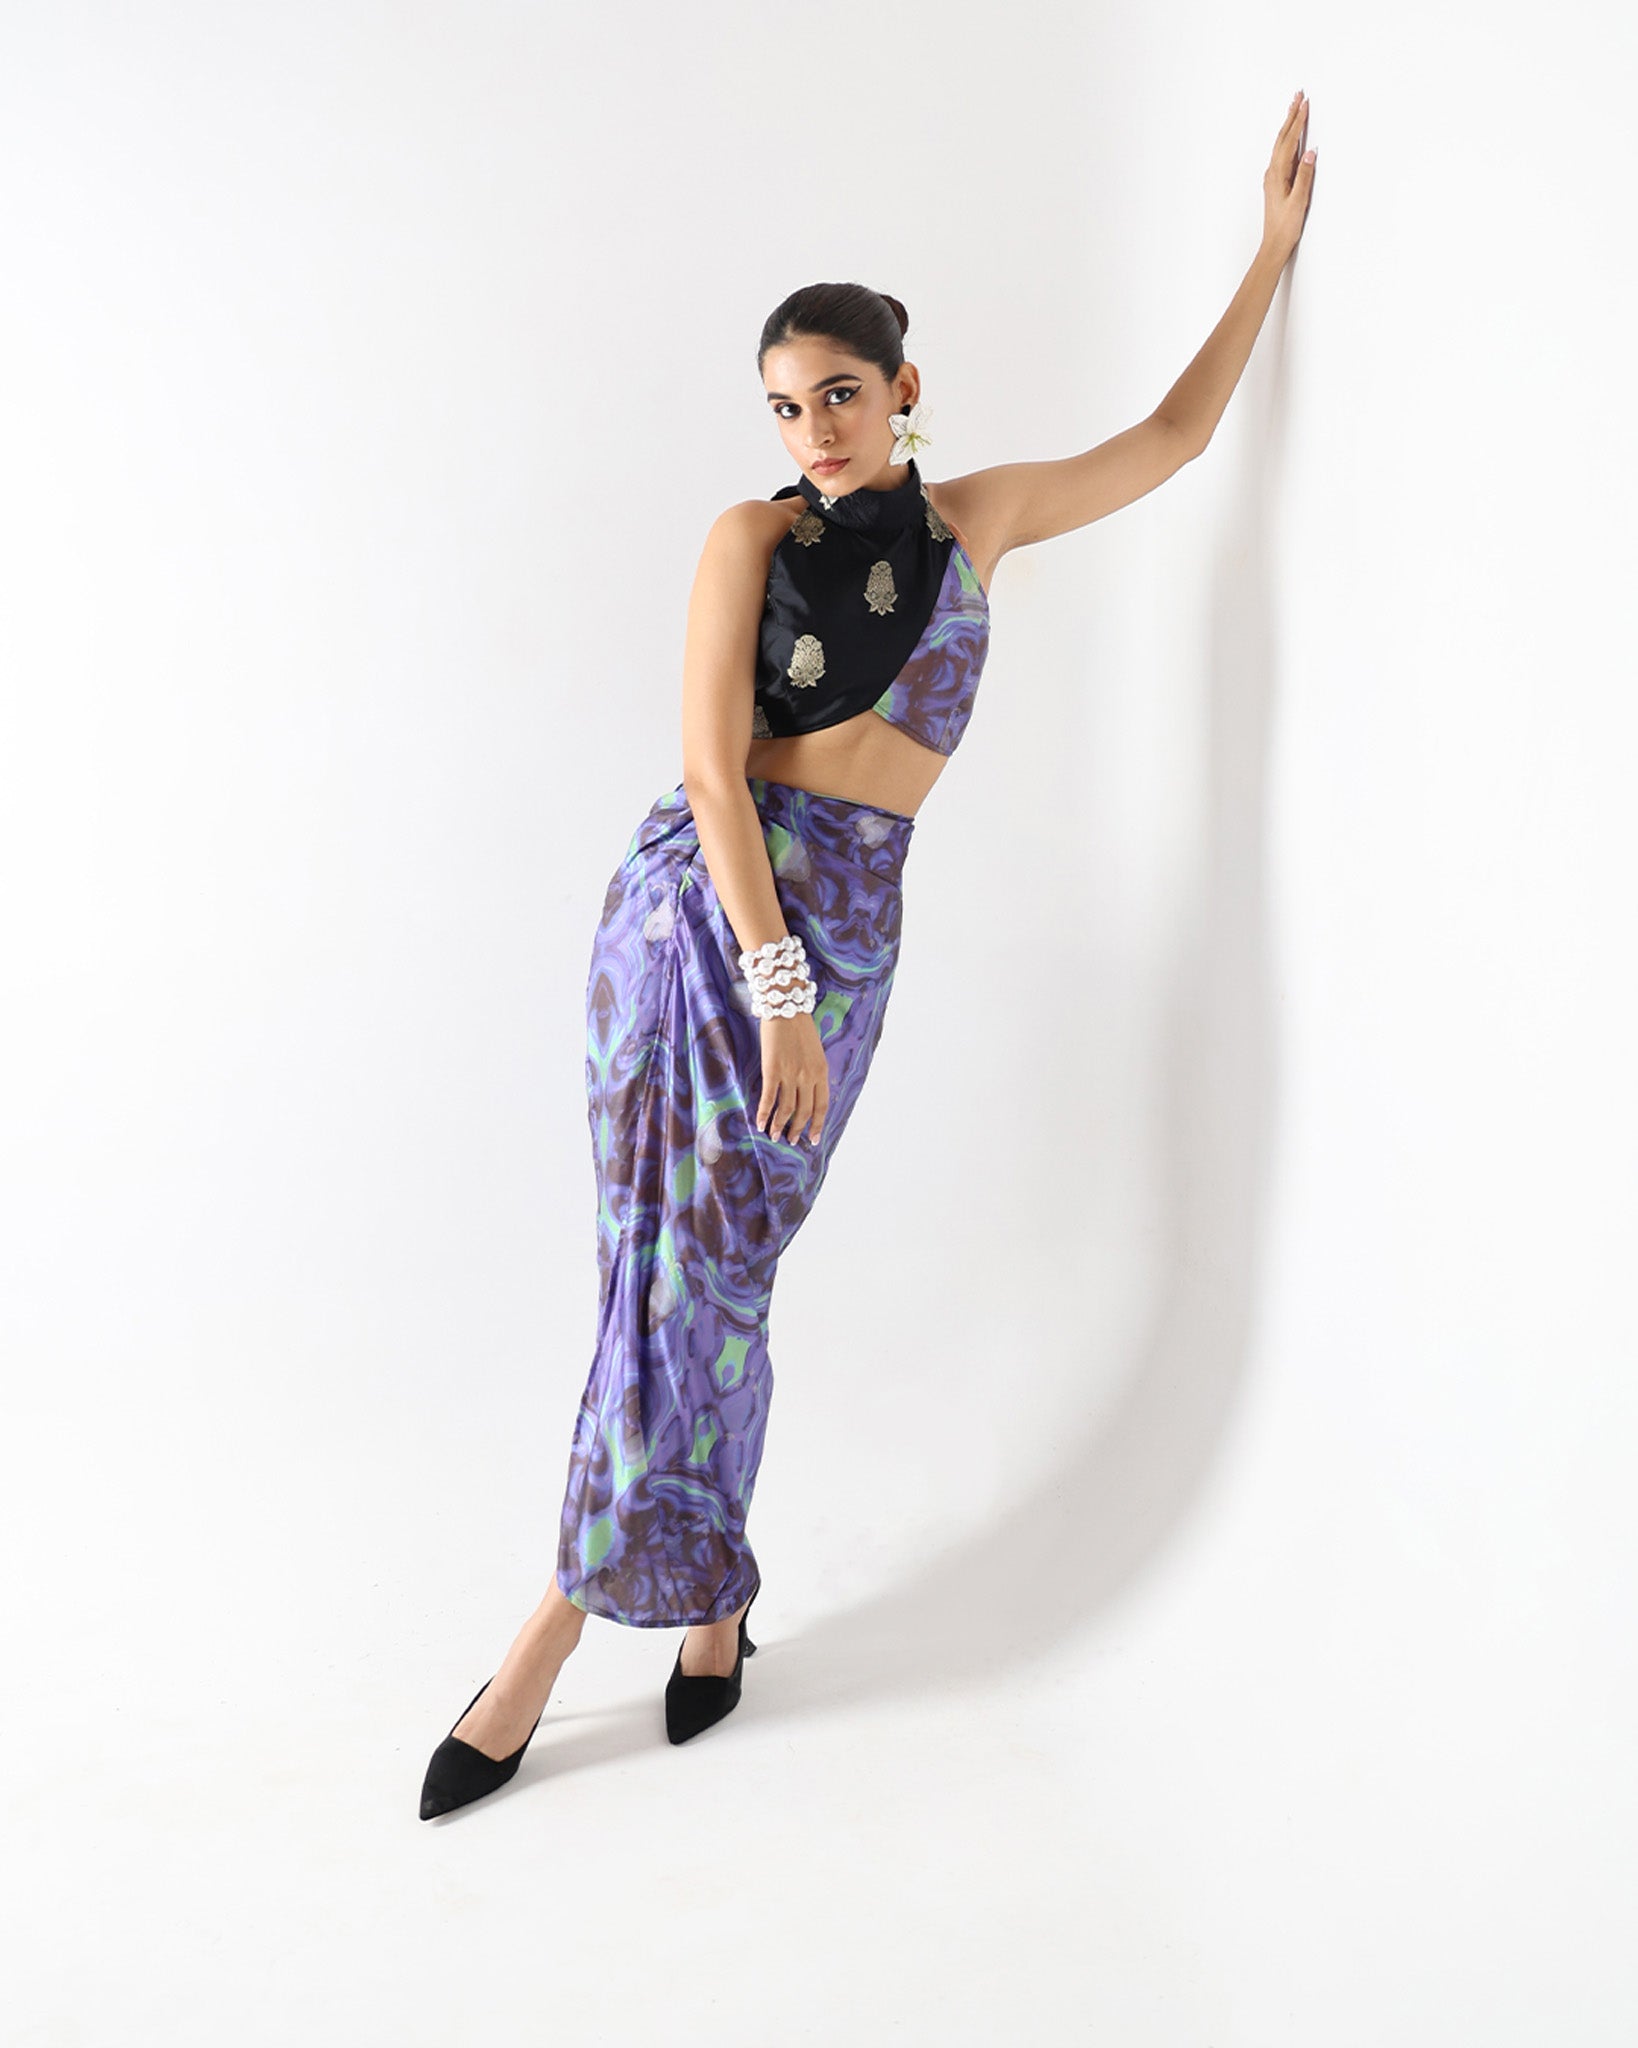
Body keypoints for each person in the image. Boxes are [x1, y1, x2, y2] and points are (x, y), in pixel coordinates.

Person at [419, 93, 1317, 1819]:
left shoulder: (977, 523)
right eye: (783, 405)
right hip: (706, 915)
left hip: (855, 922)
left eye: (837, 393)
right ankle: (545, 1636)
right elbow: (709, 771)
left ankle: (715, 1598)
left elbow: (1171, 438)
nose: (811, 430)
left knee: (732, 1273)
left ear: (905, 386)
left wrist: (1267, 257)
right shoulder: (749, 538)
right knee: (664, 1272)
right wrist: (775, 994)